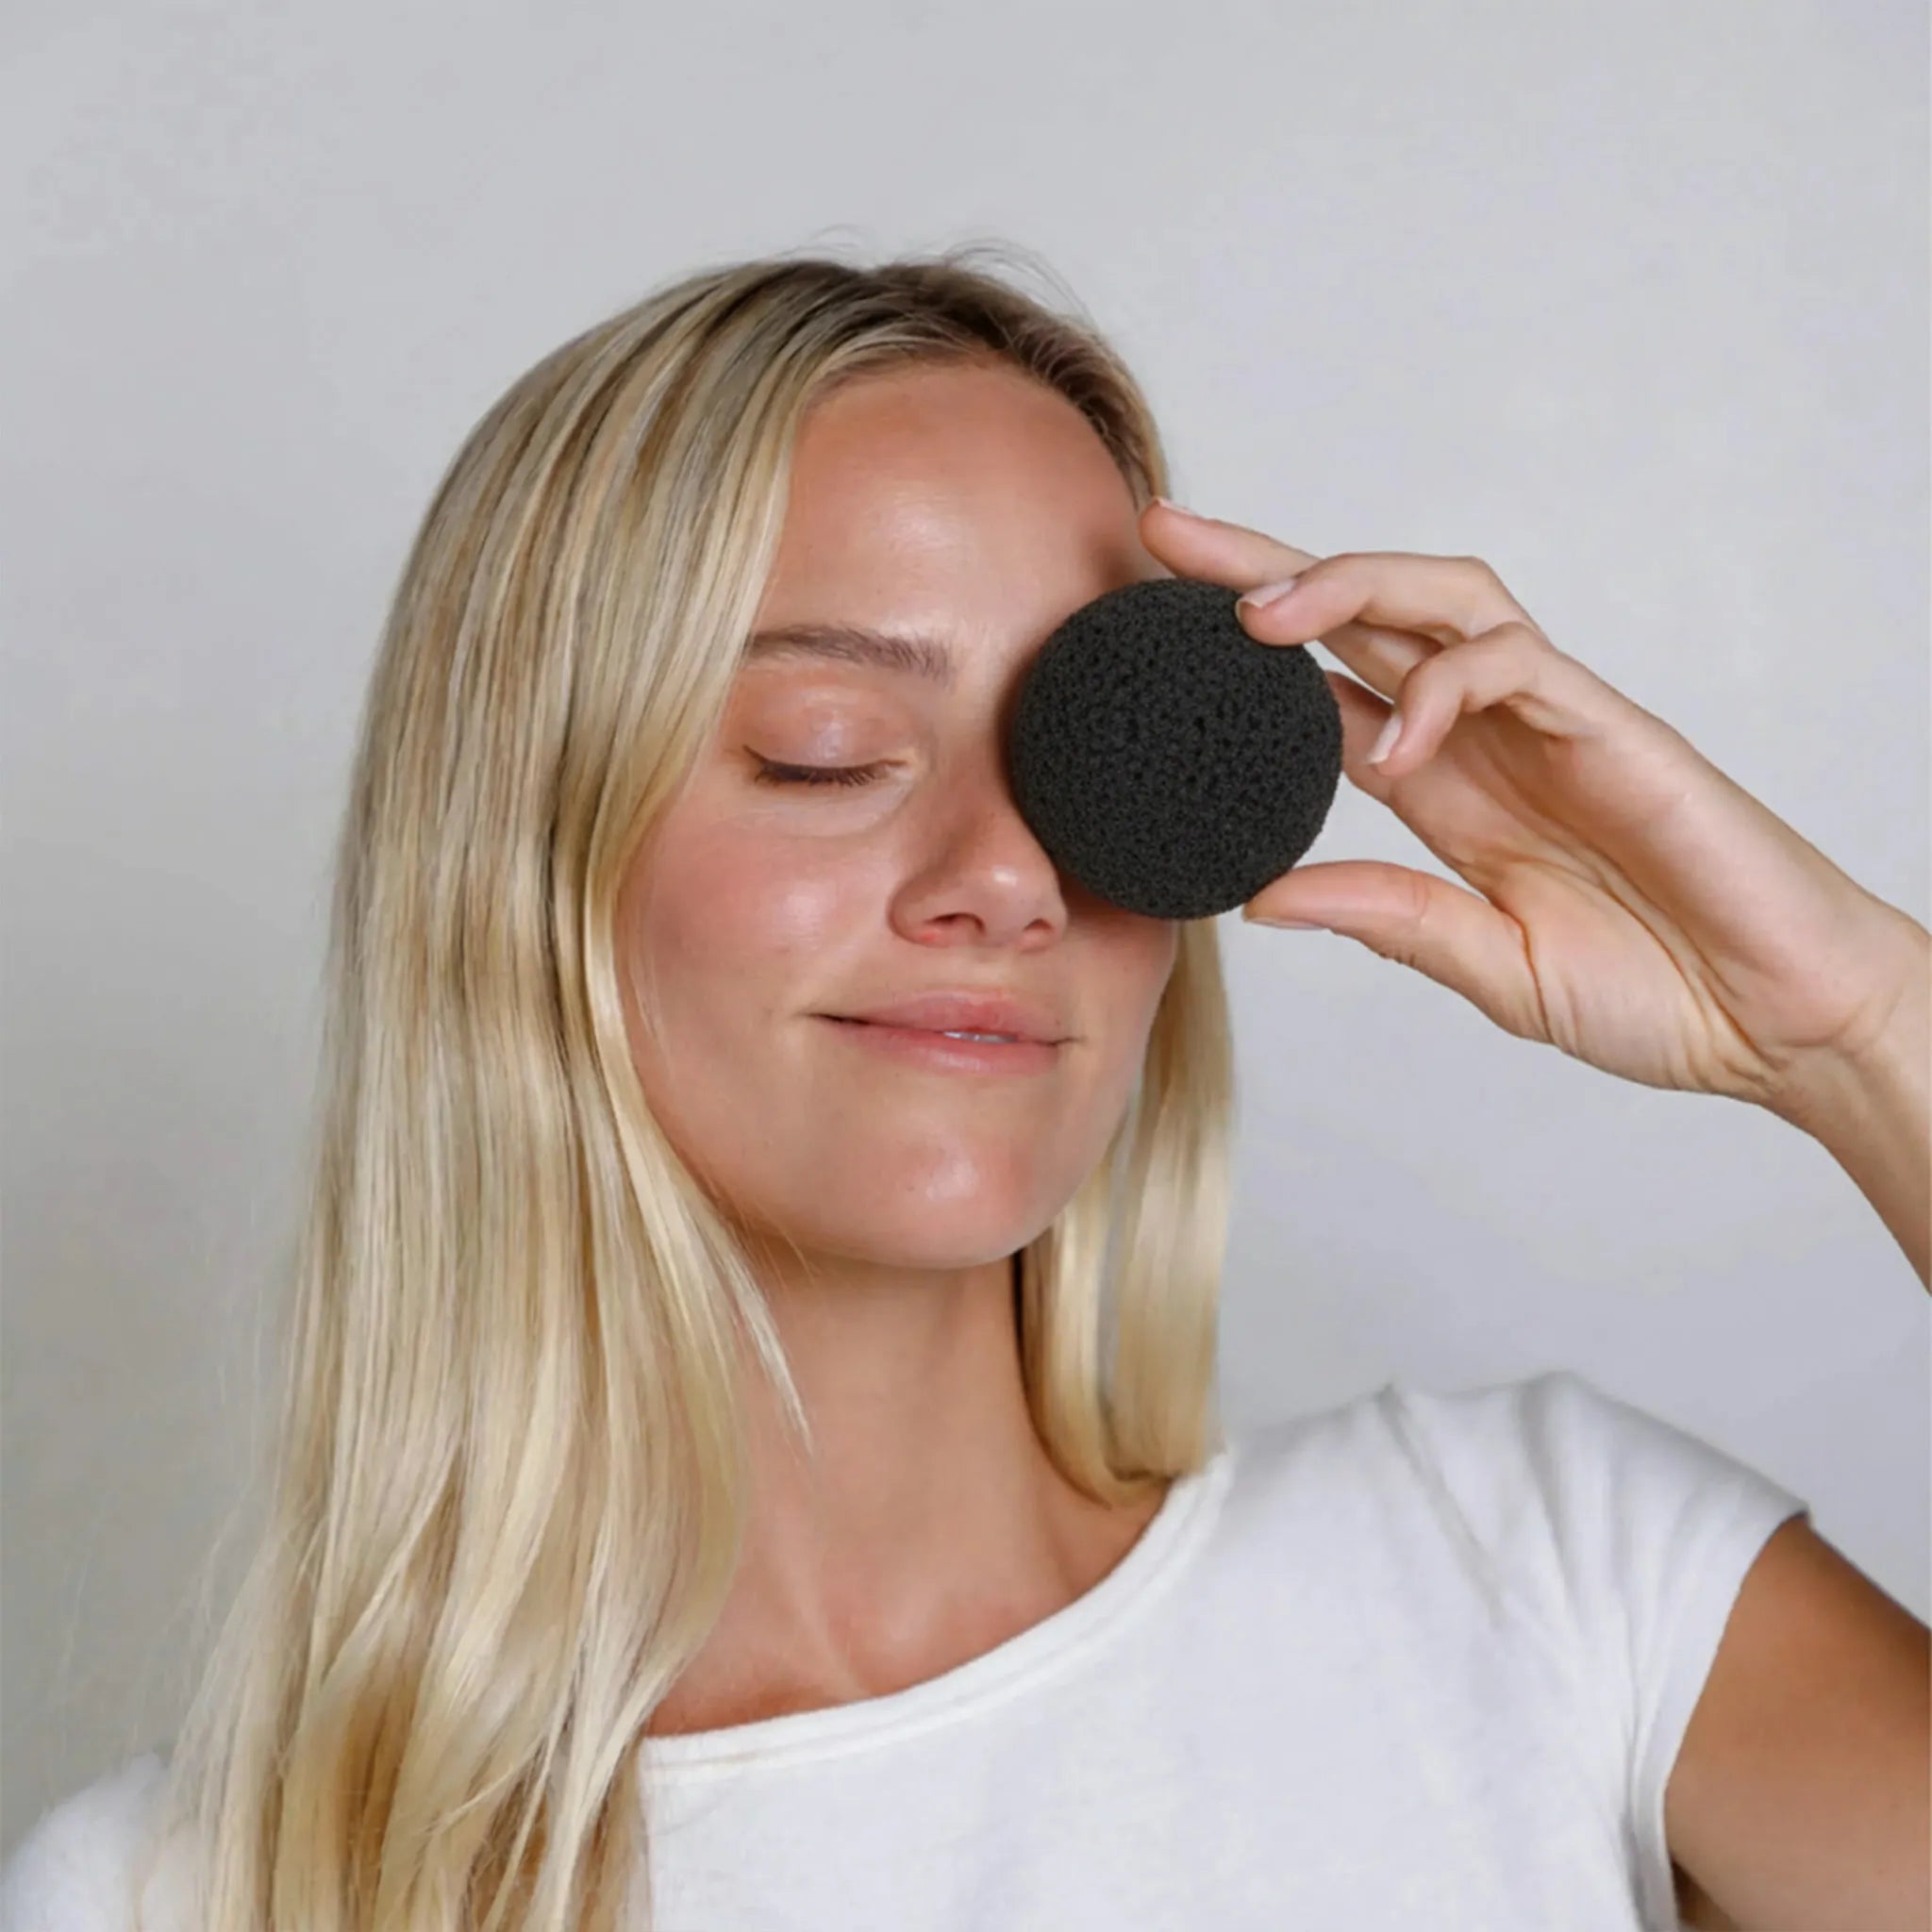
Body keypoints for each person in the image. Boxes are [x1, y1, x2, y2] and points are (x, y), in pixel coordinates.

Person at [4, 245, 1926, 1932]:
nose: (1006, 873)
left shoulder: (1547, 1585)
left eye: (1091, 757)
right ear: (526, 857)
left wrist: (1847, 1031)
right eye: (829, 749)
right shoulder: (185, 1895)